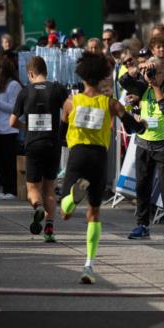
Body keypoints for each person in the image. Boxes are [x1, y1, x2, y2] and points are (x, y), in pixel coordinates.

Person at [60, 53, 130, 284]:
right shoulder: (110, 103)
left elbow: (61, 132)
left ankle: (72, 195)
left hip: (78, 153)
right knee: (94, 213)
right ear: (102, 76)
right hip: (99, 157)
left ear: (81, 75)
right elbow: (131, 124)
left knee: (65, 212)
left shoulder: (71, 102)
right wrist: (141, 124)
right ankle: (89, 266)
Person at [123, 57, 164, 241]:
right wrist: (137, 69)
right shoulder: (143, 84)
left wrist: (156, 86)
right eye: (150, 71)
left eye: (155, 72)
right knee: (142, 185)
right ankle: (142, 225)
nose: (151, 75)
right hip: (144, 143)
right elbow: (124, 81)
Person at [11, 56, 68, 242]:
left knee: (33, 188)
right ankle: (49, 228)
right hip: (53, 143)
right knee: (50, 187)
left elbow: (12, 121)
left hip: (33, 144)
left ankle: (38, 207)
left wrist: (25, 127)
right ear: (46, 71)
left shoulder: (25, 91)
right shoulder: (58, 89)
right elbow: (71, 109)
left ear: (30, 73)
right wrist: (61, 127)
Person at [0, 57, 21, 199]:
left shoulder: (13, 85)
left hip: (10, 129)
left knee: (9, 161)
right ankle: (4, 188)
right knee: (2, 161)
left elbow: (14, 107)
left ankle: (12, 189)